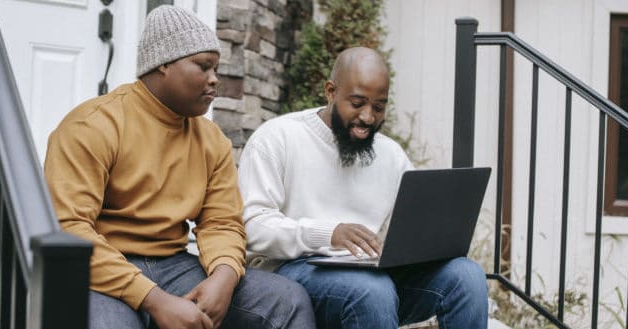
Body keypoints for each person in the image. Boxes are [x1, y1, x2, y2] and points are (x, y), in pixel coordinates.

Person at [44, 5, 315, 329]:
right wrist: (153, 299)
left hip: (173, 265)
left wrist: (224, 276)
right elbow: (69, 229)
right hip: (104, 269)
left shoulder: (211, 140)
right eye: (203, 67)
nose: (215, 79)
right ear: (163, 64)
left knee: (287, 302)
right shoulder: (92, 126)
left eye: (216, 68)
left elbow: (222, 222)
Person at [238, 47, 489, 329]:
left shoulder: (391, 155)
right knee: (371, 289)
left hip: (367, 275)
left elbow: (414, 227)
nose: (368, 117)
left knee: (466, 276)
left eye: (378, 107)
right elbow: (251, 227)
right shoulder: (277, 138)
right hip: (290, 271)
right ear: (331, 91)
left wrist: (424, 245)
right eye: (357, 103)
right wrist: (329, 233)